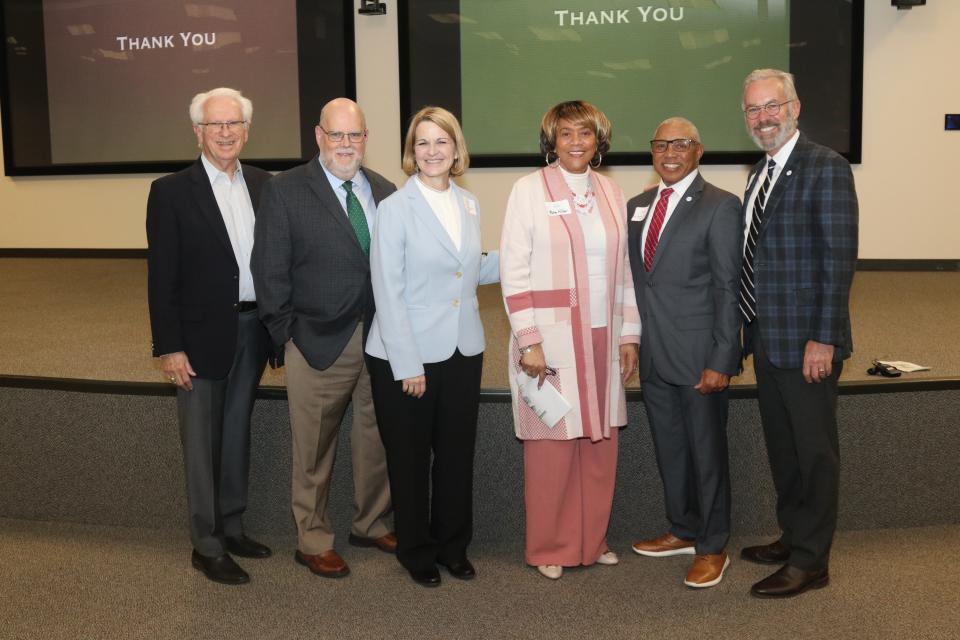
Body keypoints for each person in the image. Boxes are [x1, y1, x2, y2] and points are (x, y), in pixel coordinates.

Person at [251, 98, 396, 579]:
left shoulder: (385, 189)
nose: (346, 145)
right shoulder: (285, 189)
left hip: (379, 338)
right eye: (337, 136)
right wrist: (286, 333)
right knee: (313, 447)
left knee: (376, 437)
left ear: (365, 138)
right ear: (319, 137)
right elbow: (268, 269)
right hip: (315, 341)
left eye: (354, 135)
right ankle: (312, 537)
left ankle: (371, 523)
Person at [500, 100, 640, 580]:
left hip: (603, 335)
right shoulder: (527, 190)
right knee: (552, 445)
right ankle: (550, 547)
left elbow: (624, 270)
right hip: (552, 339)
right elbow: (513, 270)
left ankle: (591, 539)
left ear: (598, 139)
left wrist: (629, 335)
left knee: (600, 444)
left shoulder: (612, 191)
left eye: (585, 133)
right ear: (551, 141)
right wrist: (529, 339)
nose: (576, 142)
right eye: (566, 134)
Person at [365, 107, 499, 587]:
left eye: (441, 141)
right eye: (423, 143)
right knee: (410, 458)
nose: (432, 151)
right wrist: (408, 364)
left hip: (463, 349)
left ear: (456, 147)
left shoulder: (468, 202)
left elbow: (465, 271)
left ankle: (453, 546)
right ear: (411, 151)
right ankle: (417, 550)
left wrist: (525, 255)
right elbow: (388, 288)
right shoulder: (395, 208)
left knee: (456, 454)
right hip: (408, 357)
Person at [737, 69, 858, 598]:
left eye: (772, 106)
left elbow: (838, 259)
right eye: (753, 110)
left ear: (795, 107)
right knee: (784, 449)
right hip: (768, 337)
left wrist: (824, 338)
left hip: (808, 341)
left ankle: (812, 561)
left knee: (813, 453)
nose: (763, 117)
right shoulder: (759, 172)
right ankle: (793, 536)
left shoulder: (824, 167)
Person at [146, 87, 272, 585]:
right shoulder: (171, 191)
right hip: (197, 340)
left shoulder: (265, 183)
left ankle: (232, 525)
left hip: (253, 329)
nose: (226, 132)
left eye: (235, 123)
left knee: (236, 432)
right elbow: (162, 278)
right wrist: (169, 346)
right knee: (201, 443)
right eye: (216, 124)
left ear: (247, 130)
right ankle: (206, 543)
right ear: (198, 131)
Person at [626, 117, 743, 588]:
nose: (669, 152)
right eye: (660, 144)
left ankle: (713, 545)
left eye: (680, 144)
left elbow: (727, 286)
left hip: (700, 356)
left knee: (707, 453)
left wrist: (722, 358)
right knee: (671, 450)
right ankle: (683, 529)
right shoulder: (638, 206)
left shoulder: (720, 206)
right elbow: (636, 285)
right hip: (654, 354)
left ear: (698, 150)